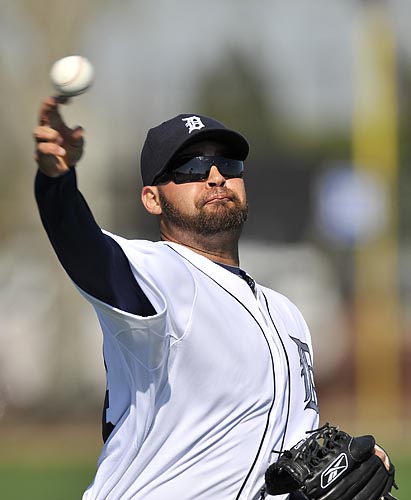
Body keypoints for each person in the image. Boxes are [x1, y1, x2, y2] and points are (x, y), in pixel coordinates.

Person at [33, 97, 389, 500]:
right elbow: (84, 248)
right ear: (152, 199)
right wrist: (56, 184)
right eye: (192, 168)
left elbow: (287, 465)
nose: (216, 177)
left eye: (229, 166)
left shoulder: (288, 315)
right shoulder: (160, 275)